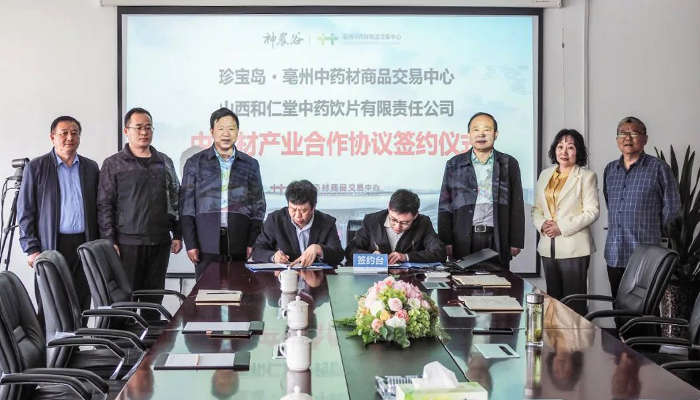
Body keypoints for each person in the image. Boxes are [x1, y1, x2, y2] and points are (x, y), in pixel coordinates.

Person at [97, 107, 182, 320]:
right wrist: (109, 240)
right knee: (125, 302)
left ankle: (150, 341)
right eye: (138, 127)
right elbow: (105, 205)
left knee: (153, 301)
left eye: (148, 127)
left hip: (159, 242)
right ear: (126, 131)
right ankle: (124, 341)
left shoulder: (164, 162)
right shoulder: (113, 164)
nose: (144, 132)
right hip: (127, 244)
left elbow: (175, 198)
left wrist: (178, 234)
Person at [17, 116, 99, 319]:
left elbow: (99, 208)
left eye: (75, 133)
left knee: (81, 302)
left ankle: (78, 340)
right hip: (51, 245)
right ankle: (49, 341)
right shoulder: (36, 167)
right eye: (64, 133)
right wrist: (31, 248)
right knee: (51, 305)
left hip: (84, 244)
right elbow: (25, 210)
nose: (70, 138)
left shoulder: (90, 168)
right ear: (52, 137)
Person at [180, 108, 266, 279]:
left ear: (238, 132)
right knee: (207, 292)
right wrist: (190, 243)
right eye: (221, 129)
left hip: (239, 241)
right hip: (205, 242)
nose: (226, 134)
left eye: (231, 129)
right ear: (212, 131)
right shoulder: (195, 163)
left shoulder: (250, 164)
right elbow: (186, 206)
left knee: (239, 290)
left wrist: (252, 241)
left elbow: (258, 206)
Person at [603, 116, 680, 298]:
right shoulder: (610, 170)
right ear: (617, 140)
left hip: (646, 254)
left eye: (634, 133)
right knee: (618, 306)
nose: (627, 138)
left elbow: (673, 205)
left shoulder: (659, 168)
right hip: (615, 252)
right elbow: (609, 203)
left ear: (645, 139)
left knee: (645, 309)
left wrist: (651, 226)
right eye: (623, 133)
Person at [438, 112, 524, 269]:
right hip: (463, 237)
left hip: (497, 237)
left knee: (498, 281)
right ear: (469, 135)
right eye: (476, 130)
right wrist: (446, 240)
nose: (481, 134)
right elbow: (445, 205)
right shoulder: (454, 164)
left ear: (496, 134)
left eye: (487, 130)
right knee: (462, 281)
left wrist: (516, 240)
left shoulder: (508, 163)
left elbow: (516, 204)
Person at [532, 129, 599, 316]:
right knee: (553, 303)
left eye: (570, 147)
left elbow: (592, 212)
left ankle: (576, 336)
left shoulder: (586, 176)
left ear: (578, 151)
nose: (564, 152)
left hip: (574, 249)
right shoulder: (545, 175)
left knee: (573, 305)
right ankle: (555, 336)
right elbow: (536, 209)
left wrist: (561, 227)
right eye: (560, 147)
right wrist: (542, 224)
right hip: (548, 247)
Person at [251, 180, 343, 266]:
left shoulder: (327, 222)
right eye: (293, 209)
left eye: (303, 210)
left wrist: (319, 249)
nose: (297, 215)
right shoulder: (275, 219)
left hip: (314, 276)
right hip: (284, 276)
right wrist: (273, 256)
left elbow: (339, 254)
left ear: (313, 207)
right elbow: (257, 251)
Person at [345, 189, 446, 265]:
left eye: (405, 222)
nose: (398, 226)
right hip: (375, 280)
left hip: (409, 280)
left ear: (415, 215)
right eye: (393, 220)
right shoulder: (372, 221)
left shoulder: (423, 223)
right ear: (389, 207)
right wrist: (370, 257)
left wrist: (406, 257)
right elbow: (351, 250)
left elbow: (439, 252)